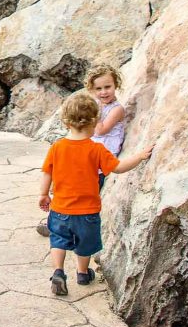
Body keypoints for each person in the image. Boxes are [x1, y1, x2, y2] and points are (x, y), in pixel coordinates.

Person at [38, 92, 153, 296]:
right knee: (84, 244)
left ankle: (58, 272)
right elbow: (118, 167)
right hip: (87, 212)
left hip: (60, 209)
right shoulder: (96, 149)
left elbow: (47, 172)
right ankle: (82, 273)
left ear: (66, 122)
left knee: (58, 240)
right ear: (94, 121)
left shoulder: (57, 147)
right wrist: (140, 156)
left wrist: (43, 194)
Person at [35, 64, 127, 237]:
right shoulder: (95, 106)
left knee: (85, 193)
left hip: (100, 159)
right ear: (91, 89)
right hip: (83, 153)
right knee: (67, 187)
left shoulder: (117, 109)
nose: (103, 92)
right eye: (98, 89)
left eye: (108, 87)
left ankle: (74, 226)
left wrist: (94, 113)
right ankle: (54, 220)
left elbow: (100, 130)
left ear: (116, 85)